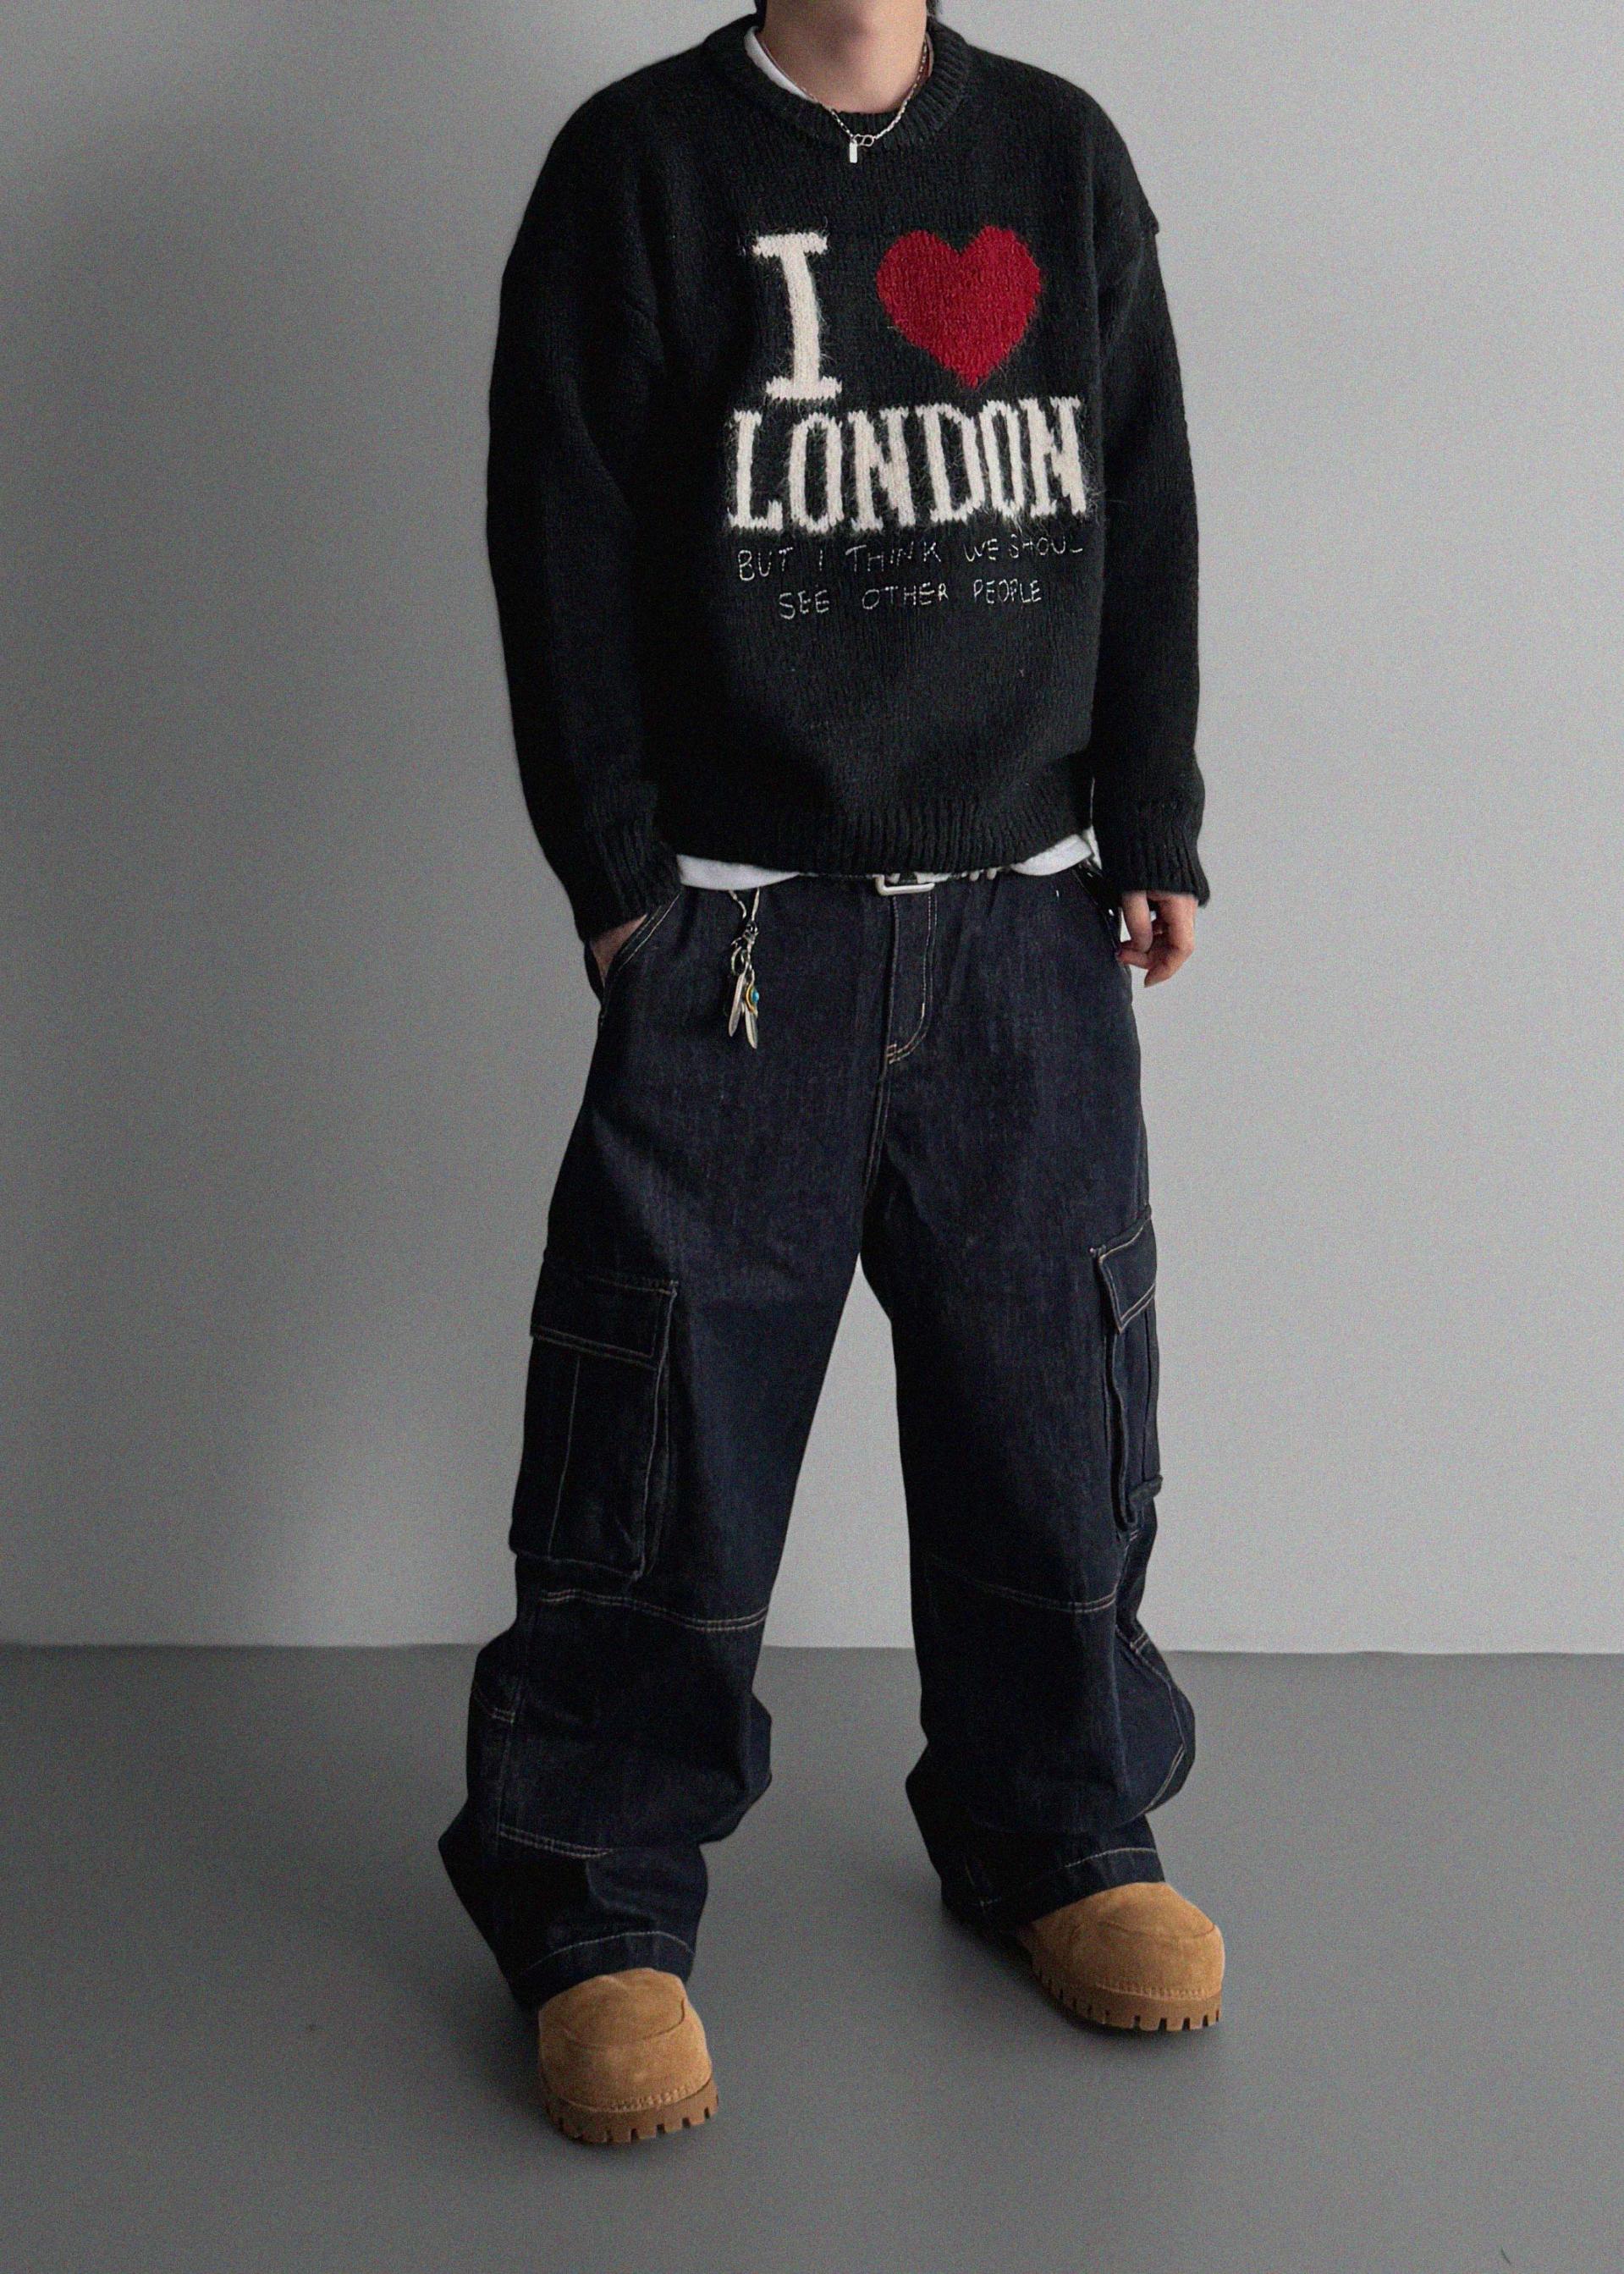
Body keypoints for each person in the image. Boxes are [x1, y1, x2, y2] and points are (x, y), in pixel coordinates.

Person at [440, 0, 1222, 2145]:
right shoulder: (642, 170)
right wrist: (624, 890)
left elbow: (1146, 494)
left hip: (1028, 926)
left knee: (1053, 1410)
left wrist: (1151, 820)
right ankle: (592, 1889)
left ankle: (1061, 1826)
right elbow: (560, 536)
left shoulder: (1058, 156)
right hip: (741, 941)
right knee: (665, 1430)